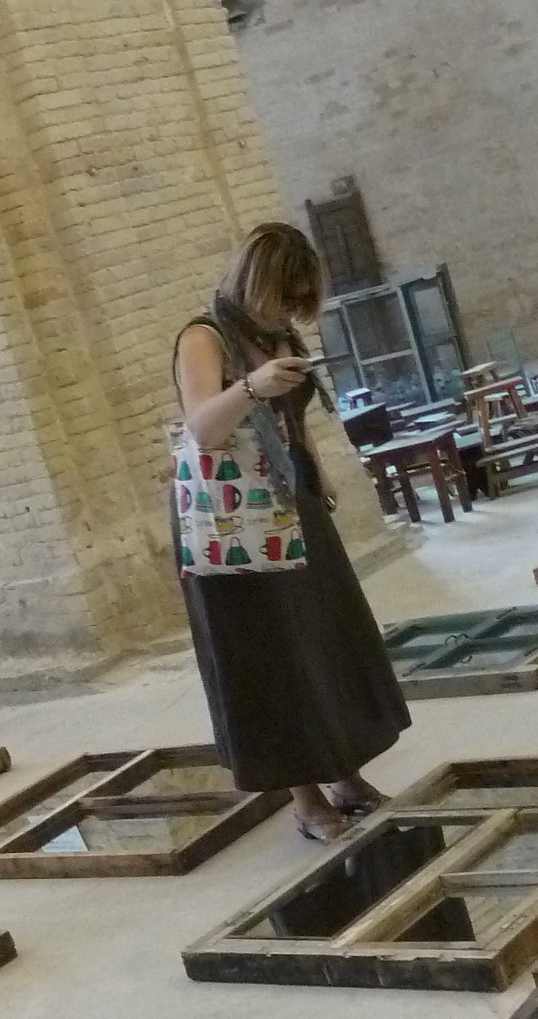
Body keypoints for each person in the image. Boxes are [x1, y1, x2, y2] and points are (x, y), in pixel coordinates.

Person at [173, 223, 408, 841]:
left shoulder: (277, 335)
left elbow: (291, 420)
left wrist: (317, 466)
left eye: (300, 300)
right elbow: (202, 429)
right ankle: (306, 799)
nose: (291, 310)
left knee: (324, 643)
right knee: (273, 656)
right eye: (284, 295)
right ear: (255, 281)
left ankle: (346, 775)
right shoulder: (203, 336)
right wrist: (252, 385)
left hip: (293, 504)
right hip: (235, 523)